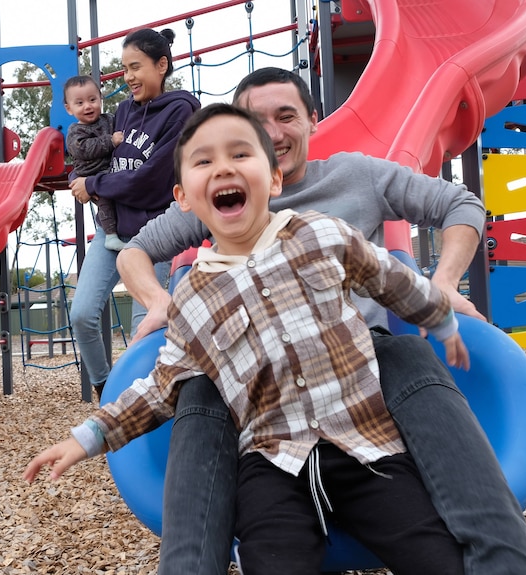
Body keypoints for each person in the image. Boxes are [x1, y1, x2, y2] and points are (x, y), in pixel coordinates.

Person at [116, 68, 526, 574]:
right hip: (260, 387)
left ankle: (502, 561)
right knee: (199, 385)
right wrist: (157, 299)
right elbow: (136, 251)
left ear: (313, 121)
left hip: (358, 361)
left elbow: (460, 203)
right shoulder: (228, 192)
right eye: (255, 121)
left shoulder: (356, 175)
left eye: (286, 116)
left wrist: (443, 283)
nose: (272, 132)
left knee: (404, 352)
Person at [26, 103, 469, 573]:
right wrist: (88, 437)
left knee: (436, 554)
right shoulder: (194, 296)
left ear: (274, 180)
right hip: (273, 463)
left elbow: (391, 281)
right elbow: (161, 387)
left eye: (240, 154)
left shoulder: (323, 236)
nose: (223, 168)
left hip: (365, 444)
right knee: (273, 559)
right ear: (183, 198)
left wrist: (442, 319)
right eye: (203, 161)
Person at [68, 28, 200, 400]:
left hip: (156, 234)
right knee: (82, 314)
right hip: (112, 230)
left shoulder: (181, 111)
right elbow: (98, 158)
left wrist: (94, 186)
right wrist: (78, 176)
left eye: (135, 67)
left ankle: (142, 405)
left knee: (145, 327)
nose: (128, 77)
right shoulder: (123, 110)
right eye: (124, 68)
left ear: (161, 65)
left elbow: (154, 180)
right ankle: (107, 387)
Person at [63, 75, 127, 251]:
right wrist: (110, 141)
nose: (88, 106)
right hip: (91, 173)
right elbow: (83, 149)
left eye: (92, 99)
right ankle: (111, 236)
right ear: (69, 109)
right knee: (104, 199)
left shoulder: (109, 119)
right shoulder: (75, 131)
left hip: (110, 168)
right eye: (80, 103)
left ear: (101, 98)